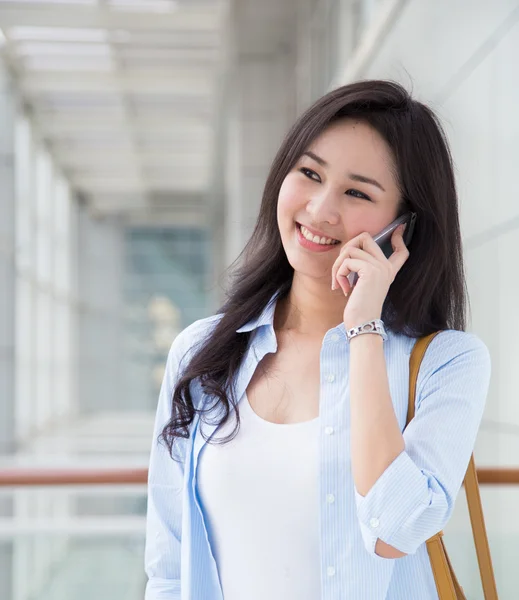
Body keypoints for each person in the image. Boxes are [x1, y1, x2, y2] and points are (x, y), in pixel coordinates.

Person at [144, 79, 491, 600]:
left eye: (356, 192)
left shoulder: (448, 362)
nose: (320, 210)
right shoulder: (202, 353)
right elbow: (170, 569)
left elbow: (396, 530)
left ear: (404, 226)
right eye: (309, 173)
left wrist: (364, 330)